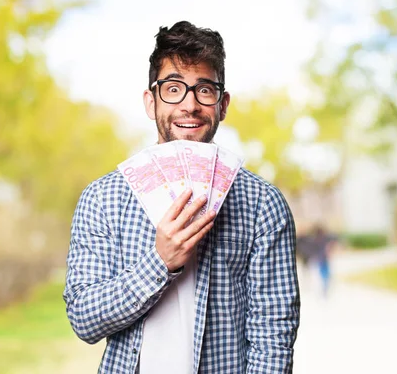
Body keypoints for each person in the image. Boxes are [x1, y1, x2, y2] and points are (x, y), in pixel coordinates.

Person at [63, 21, 300, 373]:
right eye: (173, 89)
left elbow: (272, 340)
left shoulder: (263, 205)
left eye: (204, 90)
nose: (189, 105)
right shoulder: (102, 198)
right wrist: (160, 262)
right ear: (150, 101)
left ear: (223, 104)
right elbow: (84, 320)